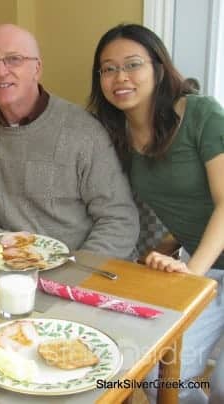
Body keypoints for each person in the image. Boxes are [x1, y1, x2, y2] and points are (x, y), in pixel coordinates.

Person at [88, 23, 224, 403]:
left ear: (158, 69)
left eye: (133, 64)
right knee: (158, 377)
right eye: (108, 68)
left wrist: (191, 275)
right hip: (209, 269)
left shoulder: (201, 113)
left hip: (201, 269)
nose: (120, 77)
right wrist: (166, 252)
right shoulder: (115, 135)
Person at [0, 24, 138, 258]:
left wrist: (76, 269)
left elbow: (119, 219)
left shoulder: (85, 132)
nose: (1, 71)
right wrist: (0, 241)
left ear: (37, 68)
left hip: (73, 264)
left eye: (14, 59)